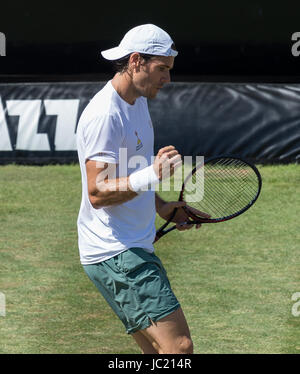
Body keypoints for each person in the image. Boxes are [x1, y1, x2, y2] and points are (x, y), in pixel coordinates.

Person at [76, 24, 202, 354]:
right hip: (116, 253)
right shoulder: (106, 114)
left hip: (129, 249)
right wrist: (152, 175)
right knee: (179, 348)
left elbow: (129, 177)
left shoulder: (137, 103)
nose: (167, 79)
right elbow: (97, 192)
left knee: (157, 353)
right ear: (135, 62)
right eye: (162, 69)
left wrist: (163, 207)